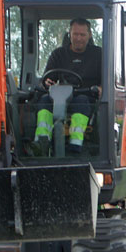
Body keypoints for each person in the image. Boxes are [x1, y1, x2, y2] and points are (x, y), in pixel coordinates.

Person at [35, 18, 101, 155]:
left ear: (89, 35)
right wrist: (46, 82)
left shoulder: (98, 55)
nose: (78, 38)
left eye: (82, 35)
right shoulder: (58, 54)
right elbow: (47, 78)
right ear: (69, 34)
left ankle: (75, 145)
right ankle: (42, 141)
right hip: (59, 97)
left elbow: (107, 79)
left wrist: (101, 88)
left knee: (81, 101)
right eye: (75, 34)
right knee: (44, 101)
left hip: (87, 97)